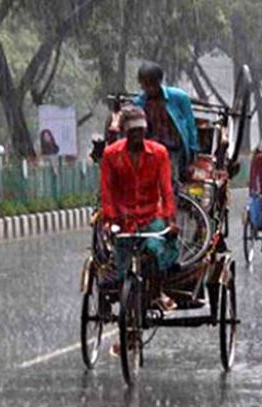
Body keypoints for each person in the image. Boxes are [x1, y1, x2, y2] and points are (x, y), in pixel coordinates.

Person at [100, 106, 180, 352]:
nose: (137, 135)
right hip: (123, 218)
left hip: (150, 215)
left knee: (155, 249)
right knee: (121, 270)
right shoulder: (112, 155)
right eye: (133, 131)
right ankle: (129, 324)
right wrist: (109, 219)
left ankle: (156, 291)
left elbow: (166, 188)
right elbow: (108, 190)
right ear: (125, 131)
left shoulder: (159, 154)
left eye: (141, 131)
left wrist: (170, 219)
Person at [133, 62, 199, 184]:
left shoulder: (179, 98)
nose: (149, 89)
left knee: (170, 182)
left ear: (159, 81)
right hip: (150, 151)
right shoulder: (139, 103)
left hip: (174, 150)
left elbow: (191, 126)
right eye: (145, 85)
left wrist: (192, 154)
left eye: (152, 84)